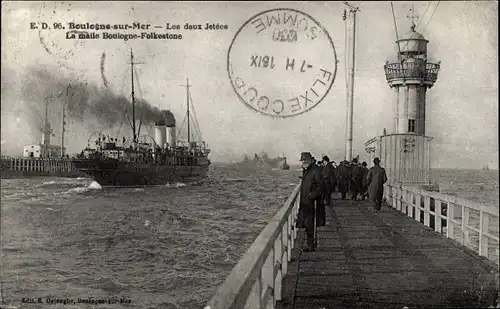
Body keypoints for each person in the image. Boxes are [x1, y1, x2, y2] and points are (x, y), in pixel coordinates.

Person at [297, 152, 323, 252]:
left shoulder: (315, 170)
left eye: (305, 160)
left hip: (312, 202)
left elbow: (320, 186)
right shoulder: (307, 170)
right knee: (308, 224)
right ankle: (310, 244)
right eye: (302, 160)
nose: (303, 162)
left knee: (310, 223)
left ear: (310, 160)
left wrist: (312, 196)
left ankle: (311, 245)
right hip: (306, 202)